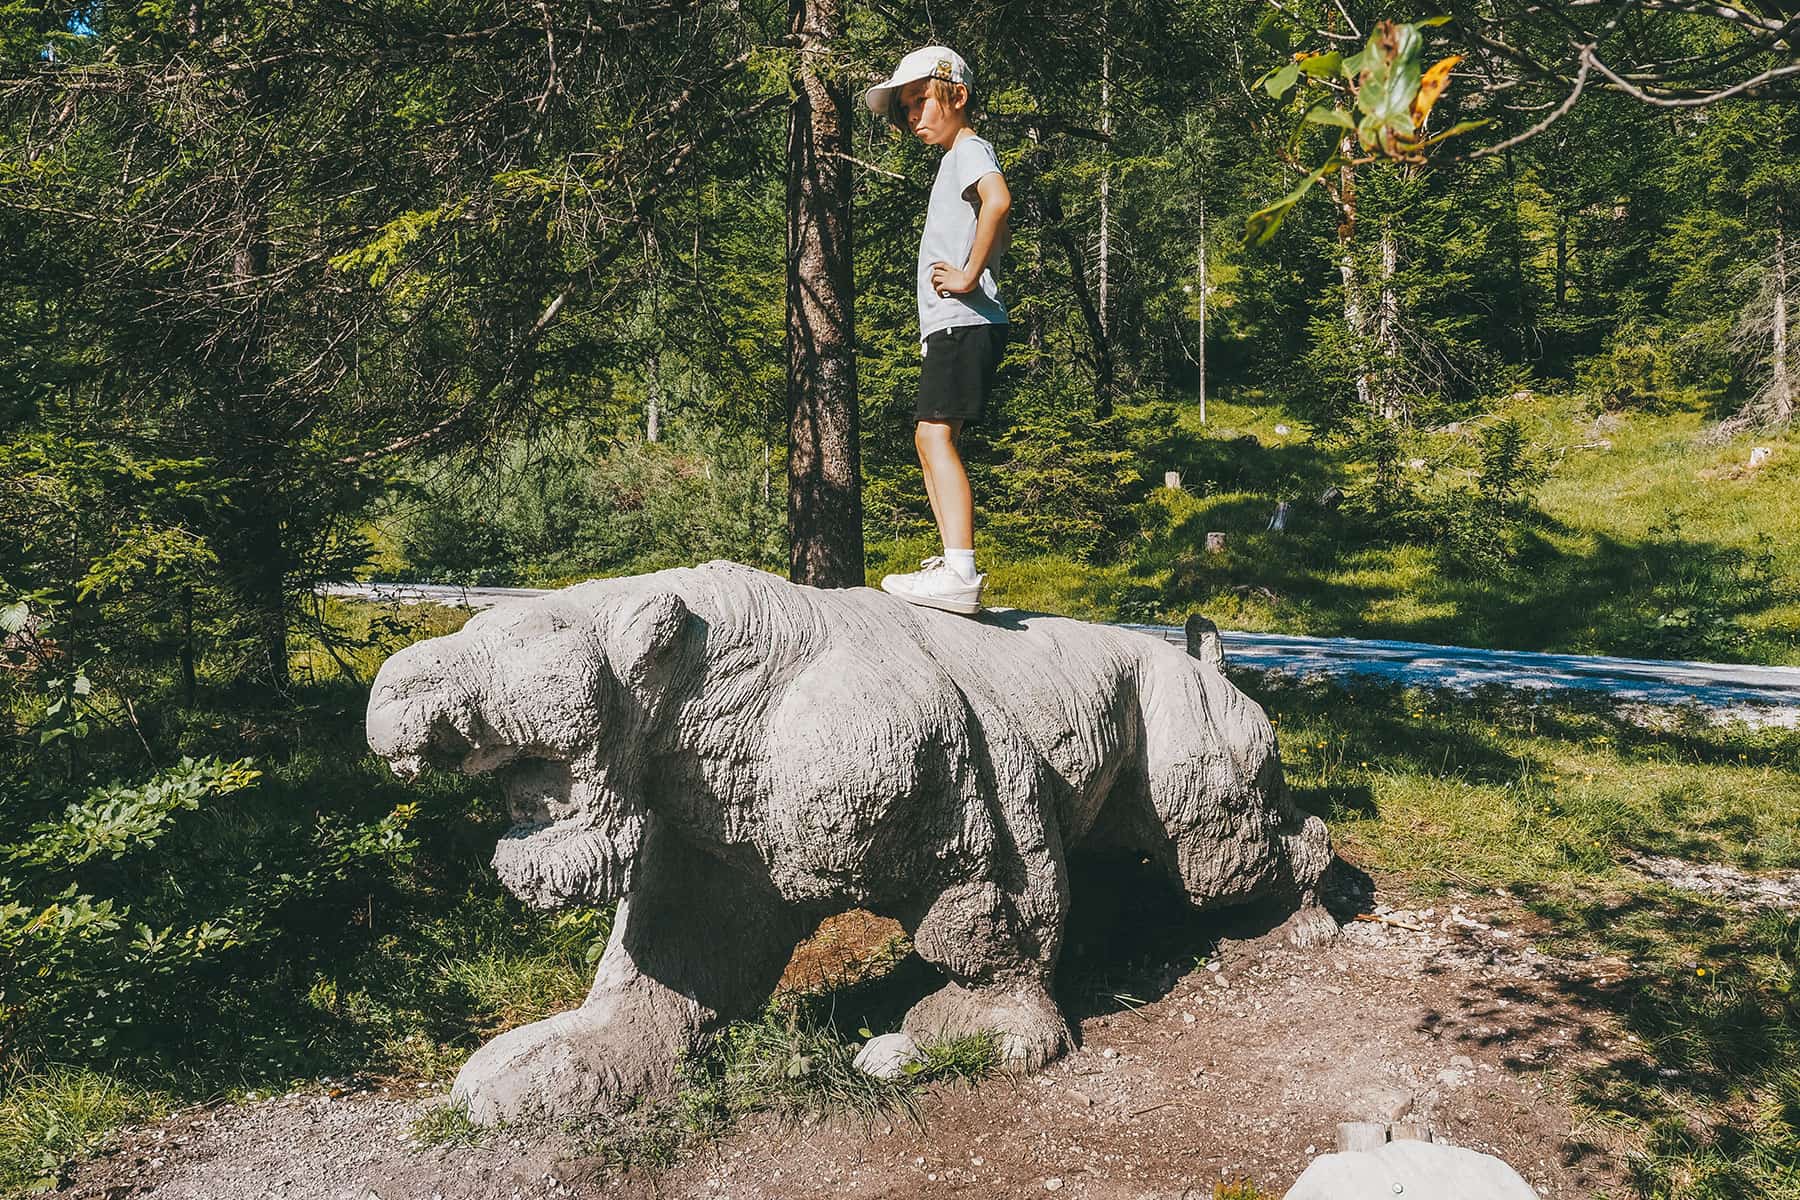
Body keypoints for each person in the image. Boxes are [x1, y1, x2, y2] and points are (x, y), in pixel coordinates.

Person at [864, 46, 1011, 616]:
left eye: (921, 100)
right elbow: (992, 219)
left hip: (966, 319)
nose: (913, 117)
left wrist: (971, 274)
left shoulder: (970, 147)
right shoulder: (956, 157)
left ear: (957, 94)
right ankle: (954, 564)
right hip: (956, 323)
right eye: (906, 108)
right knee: (930, 439)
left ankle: (960, 570)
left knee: (933, 437)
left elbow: (999, 200)